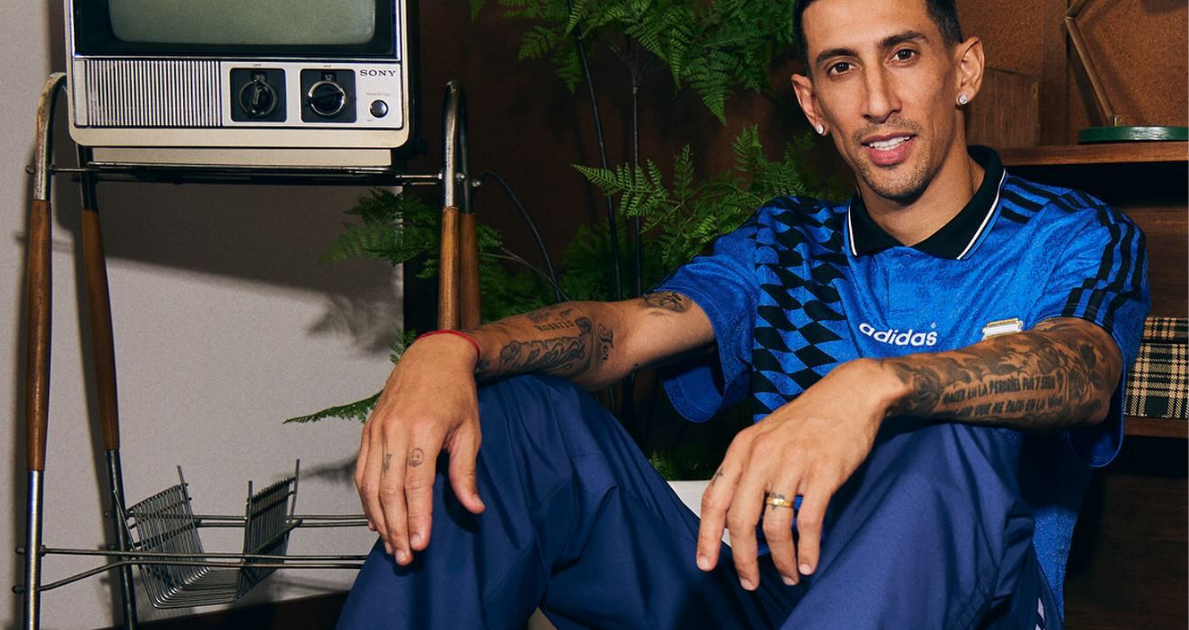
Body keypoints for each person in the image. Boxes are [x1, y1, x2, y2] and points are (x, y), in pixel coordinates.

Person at [337, 0, 1149, 627]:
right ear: (813, 102)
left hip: (969, 607)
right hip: (767, 597)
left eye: (903, 54)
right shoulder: (784, 244)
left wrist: (876, 386)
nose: (877, 100)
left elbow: (1083, 371)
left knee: (952, 431)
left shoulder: (1071, 235)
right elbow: (623, 331)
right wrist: (452, 351)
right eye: (841, 68)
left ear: (963, 70)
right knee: (518, 416)